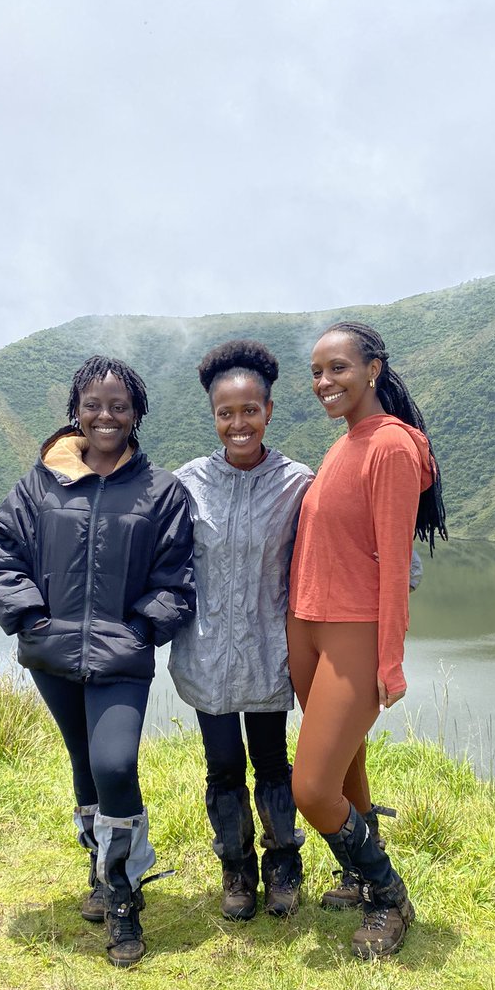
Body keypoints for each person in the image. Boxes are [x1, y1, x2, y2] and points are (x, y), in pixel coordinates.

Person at [0, 355, 195, 968]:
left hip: (120, 659)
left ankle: (125, 897)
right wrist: (30, 619)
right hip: (51, 654)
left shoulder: (161, 492)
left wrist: (140, 629)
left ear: (137, 415)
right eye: (94, 404)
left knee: (114, 763)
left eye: (119, 406)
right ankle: (101, 875)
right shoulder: (40, 483)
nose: (106, 415)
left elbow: (177, 577)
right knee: (84, 765)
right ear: (76, 410)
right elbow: (1, 551)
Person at [287, 321, 446, 960]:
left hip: (353, 631)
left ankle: (388, 893)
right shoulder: (345, 443)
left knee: (312, 788)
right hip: (308, 624)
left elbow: (393, 566)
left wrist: (391, 661)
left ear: (373, 369)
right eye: (318, 373)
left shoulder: (392, 448)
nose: (326, 382)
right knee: (345, 765)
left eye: (339, 369)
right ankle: (355, 873)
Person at [169, 341, 313, 920]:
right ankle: (236, 866)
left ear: (269, 411)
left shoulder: (298, 483)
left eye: (249, 410)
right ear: (213, 416)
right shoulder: (187, 484)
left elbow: (338, 548)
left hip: (268, 653)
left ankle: (283, 863)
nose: (238, 423)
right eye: (226, 413)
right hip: (206, 657)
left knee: (274, 762)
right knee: (223, 766)